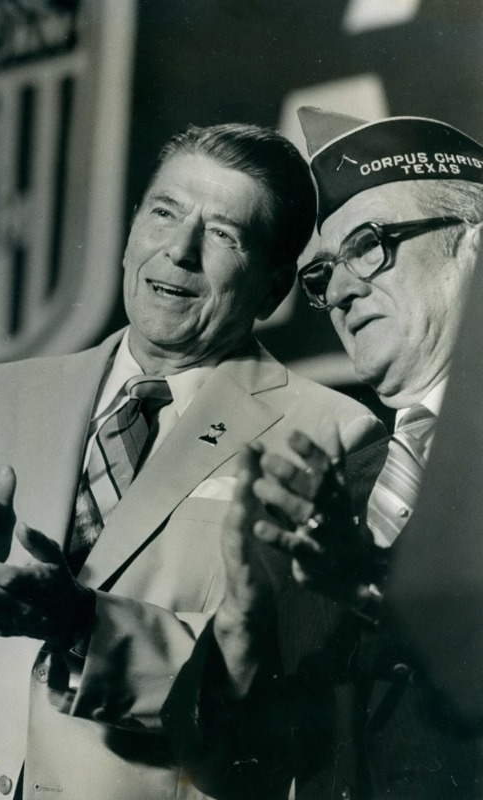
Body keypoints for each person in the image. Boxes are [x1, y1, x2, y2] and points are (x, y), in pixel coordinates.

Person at [0, 123, 381, 800]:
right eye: (164, 213)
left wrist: (86, 624)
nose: (180, 251)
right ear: (132, 227)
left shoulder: (332, 433)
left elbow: (282, 684)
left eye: (224, 234)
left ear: (273, 287)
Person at [162, 109, 483, 800]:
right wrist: (242, 631)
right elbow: (217, 765)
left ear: (472, 247)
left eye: (368, 246)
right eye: (323, 273)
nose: (337, 292)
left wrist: (371, 586)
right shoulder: (328, 497)